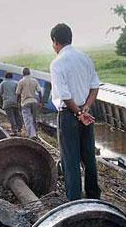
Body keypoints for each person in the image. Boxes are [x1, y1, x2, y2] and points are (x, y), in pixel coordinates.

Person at [49, 23, 101, 201]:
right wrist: (86, 108)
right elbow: (95, 87)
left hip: (69, 115)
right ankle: (94, 195)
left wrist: (78, 113)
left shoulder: (57, 63)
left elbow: (64, 96)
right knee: (89, 158)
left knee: (70, 160)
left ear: (55, 42)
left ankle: (75, 200)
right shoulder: (85, 58)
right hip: (86, 113)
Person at [16, 67, 42, 139]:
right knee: (34, 119)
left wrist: (17, 102)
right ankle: (35, 133)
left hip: (25, 102)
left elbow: (18, 93)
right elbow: (39, 92)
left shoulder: (21, 81)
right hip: (34, 101)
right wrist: (41, 102)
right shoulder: (34, 81)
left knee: (27, 119)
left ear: (23, 73)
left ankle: (32, 135)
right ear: (29, 73)